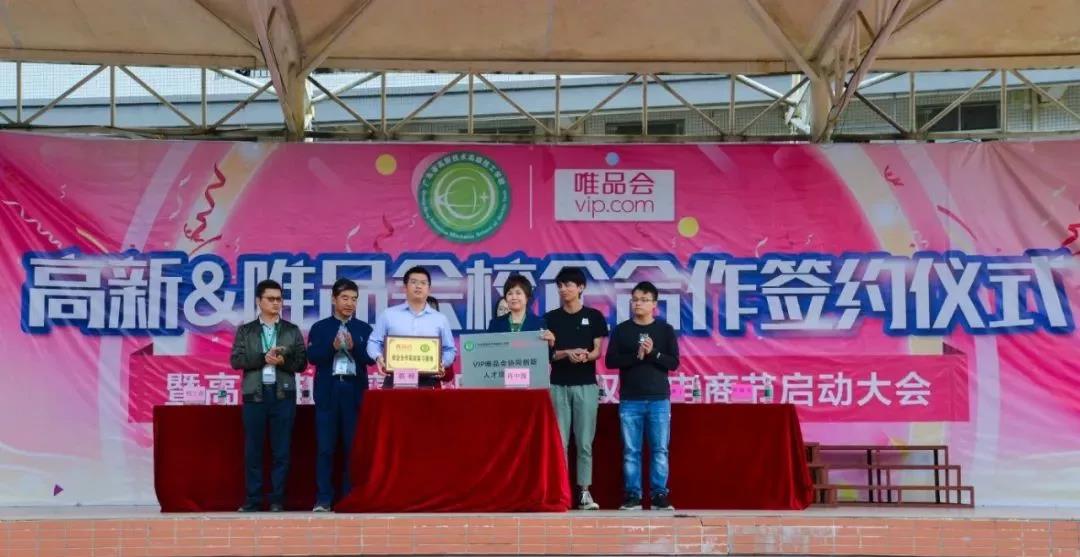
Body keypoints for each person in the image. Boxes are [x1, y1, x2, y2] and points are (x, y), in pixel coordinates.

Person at [230, 279, 307, 512]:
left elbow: (302, 363)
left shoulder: (291, 330)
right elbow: (236, 360)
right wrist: (262, 358)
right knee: (253, 450)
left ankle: (276, 500)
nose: (276, 303)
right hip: (255, 395)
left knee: (281, 451)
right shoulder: (246, 331)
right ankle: (253, 500)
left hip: (283, 394)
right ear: (258, 301)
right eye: (270, 299)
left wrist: (283, 362)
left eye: (279, 299)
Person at [605, 281, 680, 511]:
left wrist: (653, 353)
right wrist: (636, 356)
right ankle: (633, 495)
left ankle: (659, 495)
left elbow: (673, 363)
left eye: (644, 300)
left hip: (659, 399)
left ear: (654, 304)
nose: (638, 303)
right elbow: (610, 361)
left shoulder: (665, 330)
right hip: (630, 399)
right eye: (635, 299)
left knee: (660, 450)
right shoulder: (622, 330)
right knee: (631, 451)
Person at [306, 278, 375, 512]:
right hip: (329, 392)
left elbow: (371, 359)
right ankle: (323, 499)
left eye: (354, 299)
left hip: (354, 393)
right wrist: (332, 348)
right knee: (325, 448)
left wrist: (355, 347)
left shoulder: (364, 329)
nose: (349, 303)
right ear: (334, 299)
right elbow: (313, 357)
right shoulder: (320, 328)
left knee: (351, 448)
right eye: (345, 298)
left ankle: (348, 497)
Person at [543, 267, 609, 510]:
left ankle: (584, 492)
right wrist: (566, 353)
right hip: (558, 386)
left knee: (584, 442)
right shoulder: (550, 318)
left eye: (568, 285)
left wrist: (585, 356)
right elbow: (548, 354)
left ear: (581, 287)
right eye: (560, 285)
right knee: (559, 443)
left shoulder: (594, 316)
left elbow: (597, 351)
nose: (563, 290)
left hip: (586, 386)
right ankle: (561, 493)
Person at [367, 266, 457, 389]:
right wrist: (378, 357)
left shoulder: (440, 319)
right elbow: (373, 342)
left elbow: (450, 349)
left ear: (429, 289)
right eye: (414, 282)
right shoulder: (388, 315)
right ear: (405, 287)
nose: (418, 286)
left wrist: (442, 363)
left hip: (429, 381)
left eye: (423, 283)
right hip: (395, 379)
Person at [487, 274, 555, 345]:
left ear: (527, 297)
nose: (514, 297)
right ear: (506, 298)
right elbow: (488, 349)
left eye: (518, 293)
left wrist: (550, 345)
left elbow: (543, 350)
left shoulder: (539, 323)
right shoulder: (495, 324)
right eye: (510, 293)